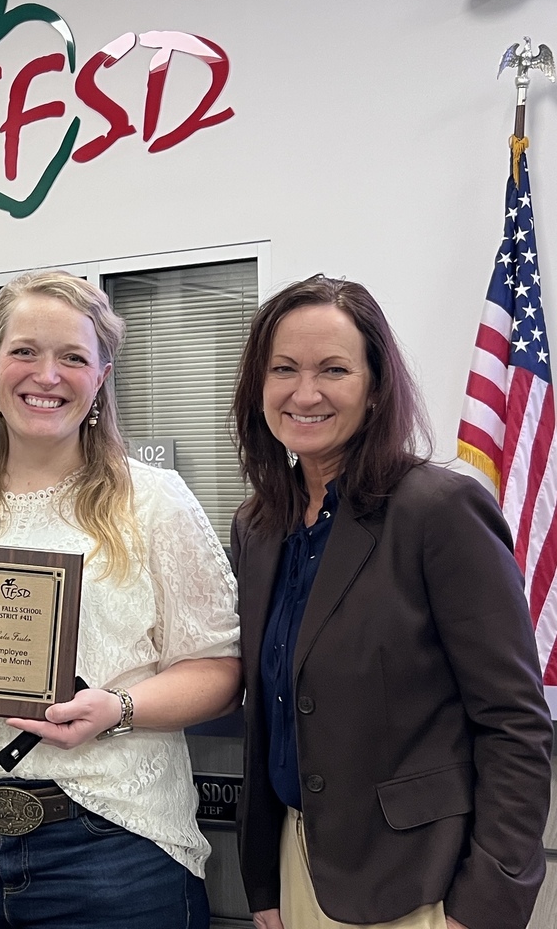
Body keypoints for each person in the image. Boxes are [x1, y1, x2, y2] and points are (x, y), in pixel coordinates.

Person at [0, 269, 242, 929]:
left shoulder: (156, 503)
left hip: (112, 852)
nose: (47, 375)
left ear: (100, 377)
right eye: (25, 352)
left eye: (73, 357)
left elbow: (217, 669)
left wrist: (119, 709)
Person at [230, 274, 553, 929]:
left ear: (374, 388)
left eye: (334, 369)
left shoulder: (439, 510)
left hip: (419, 882)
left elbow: (515, 723)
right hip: (300, 868)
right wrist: (266, 882)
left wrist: (484, 906)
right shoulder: (258, 525)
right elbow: (272, 715)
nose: (306, 392)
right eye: (284, 369)